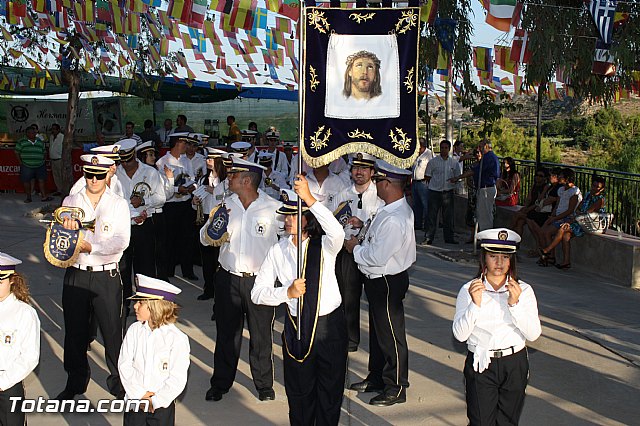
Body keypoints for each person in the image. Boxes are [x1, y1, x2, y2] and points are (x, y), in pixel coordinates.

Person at [251, 180, 347, 425]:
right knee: (299, 392)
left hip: (329, 326)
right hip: (297, 327)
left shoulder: (324, 246)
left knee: (329, 391)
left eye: (294, 215)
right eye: (286, 215)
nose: (288, 220)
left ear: (308, 218)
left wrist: (310, 199)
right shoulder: (277, 250)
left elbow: (338, 232)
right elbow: (257, 293)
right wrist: (287, 293)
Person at [203, 157, 280, 403]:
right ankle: (221, 383)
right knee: (227, 334)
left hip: (260, 282)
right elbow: (204, 238)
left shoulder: (274, 208)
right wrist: (213, 230)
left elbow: (290, 242)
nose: (229, 178)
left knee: (261, 336)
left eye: (233, 175)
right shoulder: (224, 204)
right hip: (228, 279)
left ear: (247, 181)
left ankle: (264, 384)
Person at [55, 154, 131, 401]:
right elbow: (61, 238)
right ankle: (75, 382)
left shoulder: (118, 204)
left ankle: (120, 382)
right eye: (90, 174)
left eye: (99, 175)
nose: (94, 180)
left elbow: (122, 241)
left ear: (108, 174)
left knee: (113, 333)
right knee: (74, 332)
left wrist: (92, 247)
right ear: (85, 174)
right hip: (76, 273)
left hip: (106, 276)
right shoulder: (71, 201)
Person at [344, 160, 415, 406]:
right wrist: (362, 227)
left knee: (391, 336)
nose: (376, 185)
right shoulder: (389, 210)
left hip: (386, 281)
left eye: (378, 181)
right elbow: (377, 238)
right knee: (378, 334)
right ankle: (377, 377)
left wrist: (354, 248)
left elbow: (376, 256)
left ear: (388, 184)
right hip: (378, 280)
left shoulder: (395, 218)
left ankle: (396, 386)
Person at [452, 228, 541, 425]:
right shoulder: (469, 290)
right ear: (484, 259)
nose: (499, 263)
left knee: (508, 421)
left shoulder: (524, 290)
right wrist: (475, 305)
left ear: (511, 260)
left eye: (505, 257)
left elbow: (533, 334)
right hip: (481, 362)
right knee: (480, 421)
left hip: (514, 362)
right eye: (493, 256)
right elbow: (459, 335)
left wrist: (515, 305)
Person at [119, 274, 190, 426]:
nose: (135, 306)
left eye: (140, 302)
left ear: (155, 307)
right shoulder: (134, 330)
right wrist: (139, 394)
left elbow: (177, 378)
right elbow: (124, 365)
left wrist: (155, 401)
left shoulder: (176, 339)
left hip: (161, 407)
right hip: (135, 401)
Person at [331, 153, 384, 352]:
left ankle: (378, 343)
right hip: (347, 251)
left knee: (375, 298)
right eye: (355, 168)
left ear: (372, 171)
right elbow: (331, 223)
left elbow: (382, 225)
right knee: (348, 296)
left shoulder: (380, 196)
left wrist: (363, 225)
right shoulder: (343, 194)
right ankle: (350, 339)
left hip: (371, 252)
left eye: (364, 168)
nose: (359, 172)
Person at [116, 139, 166, 320]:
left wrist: (144, 201)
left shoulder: (150, 172)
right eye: (122, 161)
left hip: (144, 227)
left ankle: (147, 305)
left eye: (128, 160)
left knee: (145, 268)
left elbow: (161, 198)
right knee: (122, 268)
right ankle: (123, 305)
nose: (125, 165)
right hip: (122, 226)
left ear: (135, 156)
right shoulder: (115, 174)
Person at [0, 252, 40, 426]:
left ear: (12, 280)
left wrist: (3, 382)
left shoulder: (24, 313)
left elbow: (30, 357)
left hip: (8, 385)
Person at [539, 176, 606, 270]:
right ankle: (566, 262)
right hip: (579, 219)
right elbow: (579, 208)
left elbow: (587, 213)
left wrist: (573, 219)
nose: (594, 188)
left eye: (597, 187)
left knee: (563, 228)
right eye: (593, 185)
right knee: (566, 235)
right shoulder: (588, 194)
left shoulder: (600, 199)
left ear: (602, 189)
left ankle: (547, 250)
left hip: (588, 223)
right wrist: (574, 217)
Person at [156, 134, 198, 281]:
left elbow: (192, 178)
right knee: (170, 238)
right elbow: (162, 185)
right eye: (184, 143)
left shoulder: (186, 161)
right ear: (177, 144)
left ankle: (188, 270)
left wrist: (191, 187)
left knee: (187, 238)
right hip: (171, 205)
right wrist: (176, 189)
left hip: (185, 203)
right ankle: (169, 270)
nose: (186, 146)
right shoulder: (162, 162)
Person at [192, 147, 227, 302]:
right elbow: (197, 203)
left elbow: (229, 199)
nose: (208, 161)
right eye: (207, 158)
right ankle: (208, 289)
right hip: (206, 217)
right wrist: (195, 202)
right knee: (206, 257)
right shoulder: (203, 179)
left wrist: (214, 191)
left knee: (219, 257)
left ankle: (220, 291)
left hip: (220, 219)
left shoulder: (225, 181)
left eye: (211, 159)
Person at [451, 140, 501, 232]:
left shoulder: (488, 157)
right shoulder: (490, 157)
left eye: (480, 147)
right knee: (482, 213)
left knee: (485, 215)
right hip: (484, 187)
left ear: (486, 146)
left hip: (486, 188)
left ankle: (486, 235)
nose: (479, 149)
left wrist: (458, 177)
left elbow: (474, 171)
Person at [537, 168, 582, 266]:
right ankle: (550, 255)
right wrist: (552, 216)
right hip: (558, 216)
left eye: (561, 176)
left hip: (567, 218)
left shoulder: (574, 192)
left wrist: (555, 218)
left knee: (548, 232)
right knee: (543, 231)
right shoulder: (561, 190)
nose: (559, 177)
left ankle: (549, 254)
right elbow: (558, 205)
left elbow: (570, 210)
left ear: (567, 178)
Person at [422, 139, 458, 245]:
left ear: (449, 149)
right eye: (442, 148)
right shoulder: (433, 162)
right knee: (432, 216)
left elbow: (457, 176)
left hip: (448, 192)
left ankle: (449, 238)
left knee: (448, 217)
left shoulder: (454, 163)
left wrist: (454, 182)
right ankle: (429, 237)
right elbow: (427, 176)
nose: (444, 150)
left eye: (446, 148)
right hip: (435, 192)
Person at [15, 126, 52, 203]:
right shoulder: (21, 141)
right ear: (27, 133)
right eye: (31, 133)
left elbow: (44, 151)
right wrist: (20, 162)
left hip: (40, 165)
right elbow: (17, 152)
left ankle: (44, 197)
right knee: (26, 181)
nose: (33, 134)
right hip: (27, 165)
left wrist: (44, 160)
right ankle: (29, 197)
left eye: (34, 133)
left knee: (41, 180)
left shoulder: (39, 141)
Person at [510, 168, 550, 238]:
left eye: (540, 176)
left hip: (536, 210)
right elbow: (529, 198)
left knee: (517, 215)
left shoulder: (546, 187)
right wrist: (525, 207)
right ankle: (516, 241)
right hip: (530, 208)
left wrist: (528, 209)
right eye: (536, 175)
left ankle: (508, 233)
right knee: (520, 223)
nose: (538, 177)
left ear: (545, 178)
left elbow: (539, 201)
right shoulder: (534, 185)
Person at [411, 137, 434, 231]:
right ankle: (418, 223)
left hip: (423, 182)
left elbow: (432, 168)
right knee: (416, 204)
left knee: (426, 204)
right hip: (415, 182)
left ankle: (427, 225)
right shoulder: (416, 155)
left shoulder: (429, 154)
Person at [49, 123, 66, 195]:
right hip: (53, 159)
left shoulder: (62, 137)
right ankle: (59, 190)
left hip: (60, 159)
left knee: (61, 175)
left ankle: (64, 190)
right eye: (52, 129)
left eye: (54, 129)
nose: (53, 131)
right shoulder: (51, 137)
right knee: (56, 176)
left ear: (58, 130)